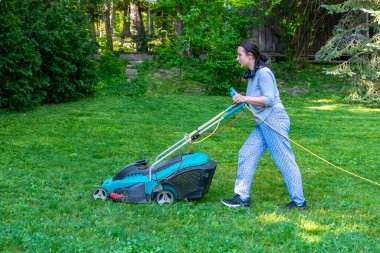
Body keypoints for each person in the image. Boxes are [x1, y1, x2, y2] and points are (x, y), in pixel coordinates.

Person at [221, 39, 307, 209]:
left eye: (239, 55)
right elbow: (255, 99)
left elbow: (268, 100)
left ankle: (299, 202)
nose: (237, 58)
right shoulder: (253, 75)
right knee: (246, 153)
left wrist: (244, 98)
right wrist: (242, 99)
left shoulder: (264, 73)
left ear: (250, 55)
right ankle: (242, 197)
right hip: (263, 122)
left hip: (274, 120)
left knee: (285, 161)